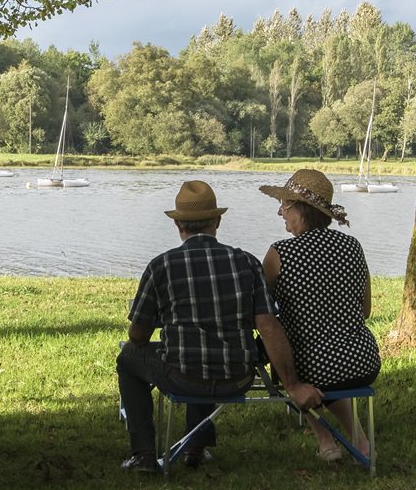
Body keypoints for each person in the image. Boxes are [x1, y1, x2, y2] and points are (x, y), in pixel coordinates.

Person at [117, 180, 323, 472]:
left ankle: (144, 455)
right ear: (217, 221)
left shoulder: (161, 266)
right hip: (237, 377)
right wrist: (291, 383)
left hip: (181, 376)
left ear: (178, 226)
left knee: (129, 358)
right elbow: (268, 326)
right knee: (206, 351)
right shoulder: (246, 263)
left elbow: (137, 335)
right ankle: (196, 448)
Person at [258, 168, 381, 462]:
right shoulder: (351, 245)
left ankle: (326, 441)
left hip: (313, 367)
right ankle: (361, 443)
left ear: (301, 210)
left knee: (287, 361)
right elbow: (364, 311)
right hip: (363, 360)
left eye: (285, 206)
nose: (280, 212)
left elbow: (260, 310)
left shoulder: (280, 253)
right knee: (328, 369)